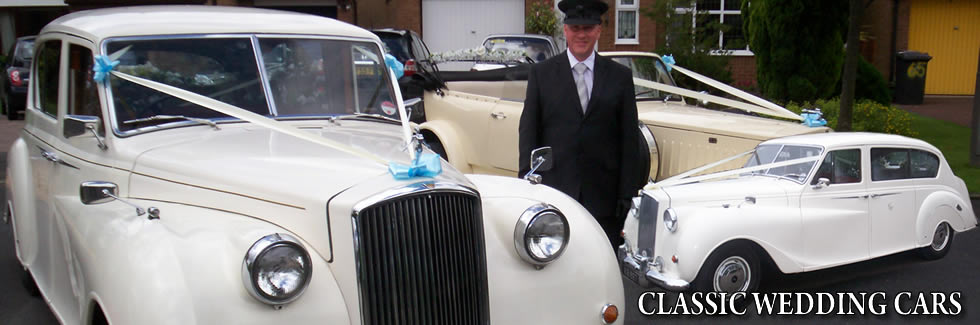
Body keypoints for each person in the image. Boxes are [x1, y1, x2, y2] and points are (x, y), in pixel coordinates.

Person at [518, 0, 644, 249]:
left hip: (605, 199)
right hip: (556, 193)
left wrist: (627, 193)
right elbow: (529, 132)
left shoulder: (619, 77)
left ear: (598, 31)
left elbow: (628, 139)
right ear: (565, 30)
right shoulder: (542, 75)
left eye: (588, 28)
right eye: (575, 28)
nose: (581, 35)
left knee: (600, 265)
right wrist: (527, 183)